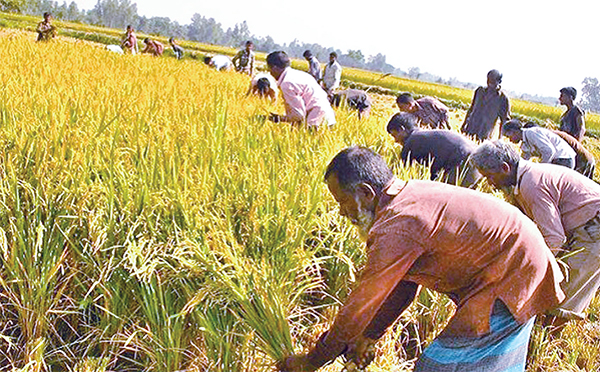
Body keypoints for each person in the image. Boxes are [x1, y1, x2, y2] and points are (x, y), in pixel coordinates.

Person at [278, 146, 564, 372]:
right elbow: (404, 285)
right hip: (519, 261)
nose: (342, 212)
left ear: (365, 193)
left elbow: (360, 305)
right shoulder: (406, 196)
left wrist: (312, 361)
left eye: (342, 201)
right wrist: (371, 334)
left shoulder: (397, 225)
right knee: (486, 361)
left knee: (441, 365)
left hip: (511, 274)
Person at [471, 141, 600, 332]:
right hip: (583, 226)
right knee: (554, 287)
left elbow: (554, 238)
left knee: (565, 292)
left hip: (594, 229)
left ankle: (548, 341)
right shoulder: (521, 181)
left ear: (505, 168)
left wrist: (531, 272)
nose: (490, 183)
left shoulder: (532, 185)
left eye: (490, 177)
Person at [387, 113, 480, 187]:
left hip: (465, 162)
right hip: (476, 158)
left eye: (394, 135)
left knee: (447, 197)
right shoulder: (423, 136)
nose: (395, 140)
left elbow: (400, 173)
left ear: (402, 129)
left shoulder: (411, 142)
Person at [266, 51, 335, 128]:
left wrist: (279, 118)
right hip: (329, 117)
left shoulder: (287, 83)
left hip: (315, 121)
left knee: (308, 139)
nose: (270, 73)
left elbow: (298, 115)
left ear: (274, 68)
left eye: (269, 69)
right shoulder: (301, 74)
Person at [502, 119, 575, 169]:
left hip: (564, 159)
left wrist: (539, 168)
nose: (510, 140)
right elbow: (524, 159)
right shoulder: (524, 143)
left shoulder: (531, 133)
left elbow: (549, 151)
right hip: (559, 159)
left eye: (509, 137)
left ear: (514, 132)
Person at [461, 69, 510, 141]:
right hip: (470, 129)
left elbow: (504, 120)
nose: (489, 83)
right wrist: (464, 124)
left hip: (484, 135)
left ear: (499, 82)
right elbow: (471, 108)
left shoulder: (503, 98)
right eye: (488, 80)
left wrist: (500, 139)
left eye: (493, 81)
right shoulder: (479, 91)